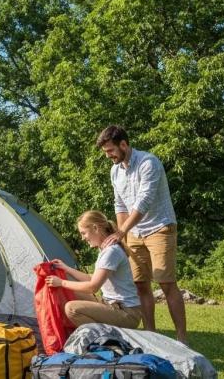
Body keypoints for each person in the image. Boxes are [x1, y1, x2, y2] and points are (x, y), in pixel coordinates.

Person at [96, 125, 187, 343]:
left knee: (166, 283)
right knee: (140, 284)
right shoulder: (115, 171)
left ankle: (182, 339)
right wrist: (123, 238)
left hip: (159, 228)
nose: (108, 156)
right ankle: (150, 335)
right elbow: (120, 205)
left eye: (111, 151)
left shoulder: (149, 163)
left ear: (124, 145)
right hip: (133, 232)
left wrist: (121, 232)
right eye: (106, 152)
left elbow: (144, 201)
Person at [46, 211, 142, 329]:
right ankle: (98, 331)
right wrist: (66, 269)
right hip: (111, 305)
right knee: (69, 290)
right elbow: (92, 278)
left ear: (95, 228)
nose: (82, 238)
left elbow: (93, 287)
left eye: (84, 233)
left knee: (71, 309)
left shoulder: (111, 252)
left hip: (127, 313)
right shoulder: (105, 250)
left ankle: (103, 337)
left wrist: (61, 282)